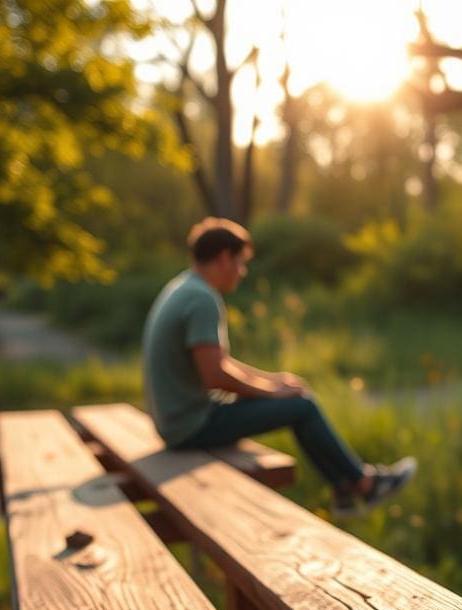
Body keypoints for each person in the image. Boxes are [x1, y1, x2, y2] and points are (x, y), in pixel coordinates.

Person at [141, 217, 416, 516]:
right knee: (302, 407)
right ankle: (363, 485)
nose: (243, 272)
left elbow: (219, 363)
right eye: (241, 263)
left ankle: (346, 489)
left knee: (295, 399)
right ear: (224, 258)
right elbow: (215, 375)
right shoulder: (202, 299)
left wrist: (274, 381)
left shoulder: (183, 287)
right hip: (190, 427)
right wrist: (273, 394)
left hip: (177, 421)